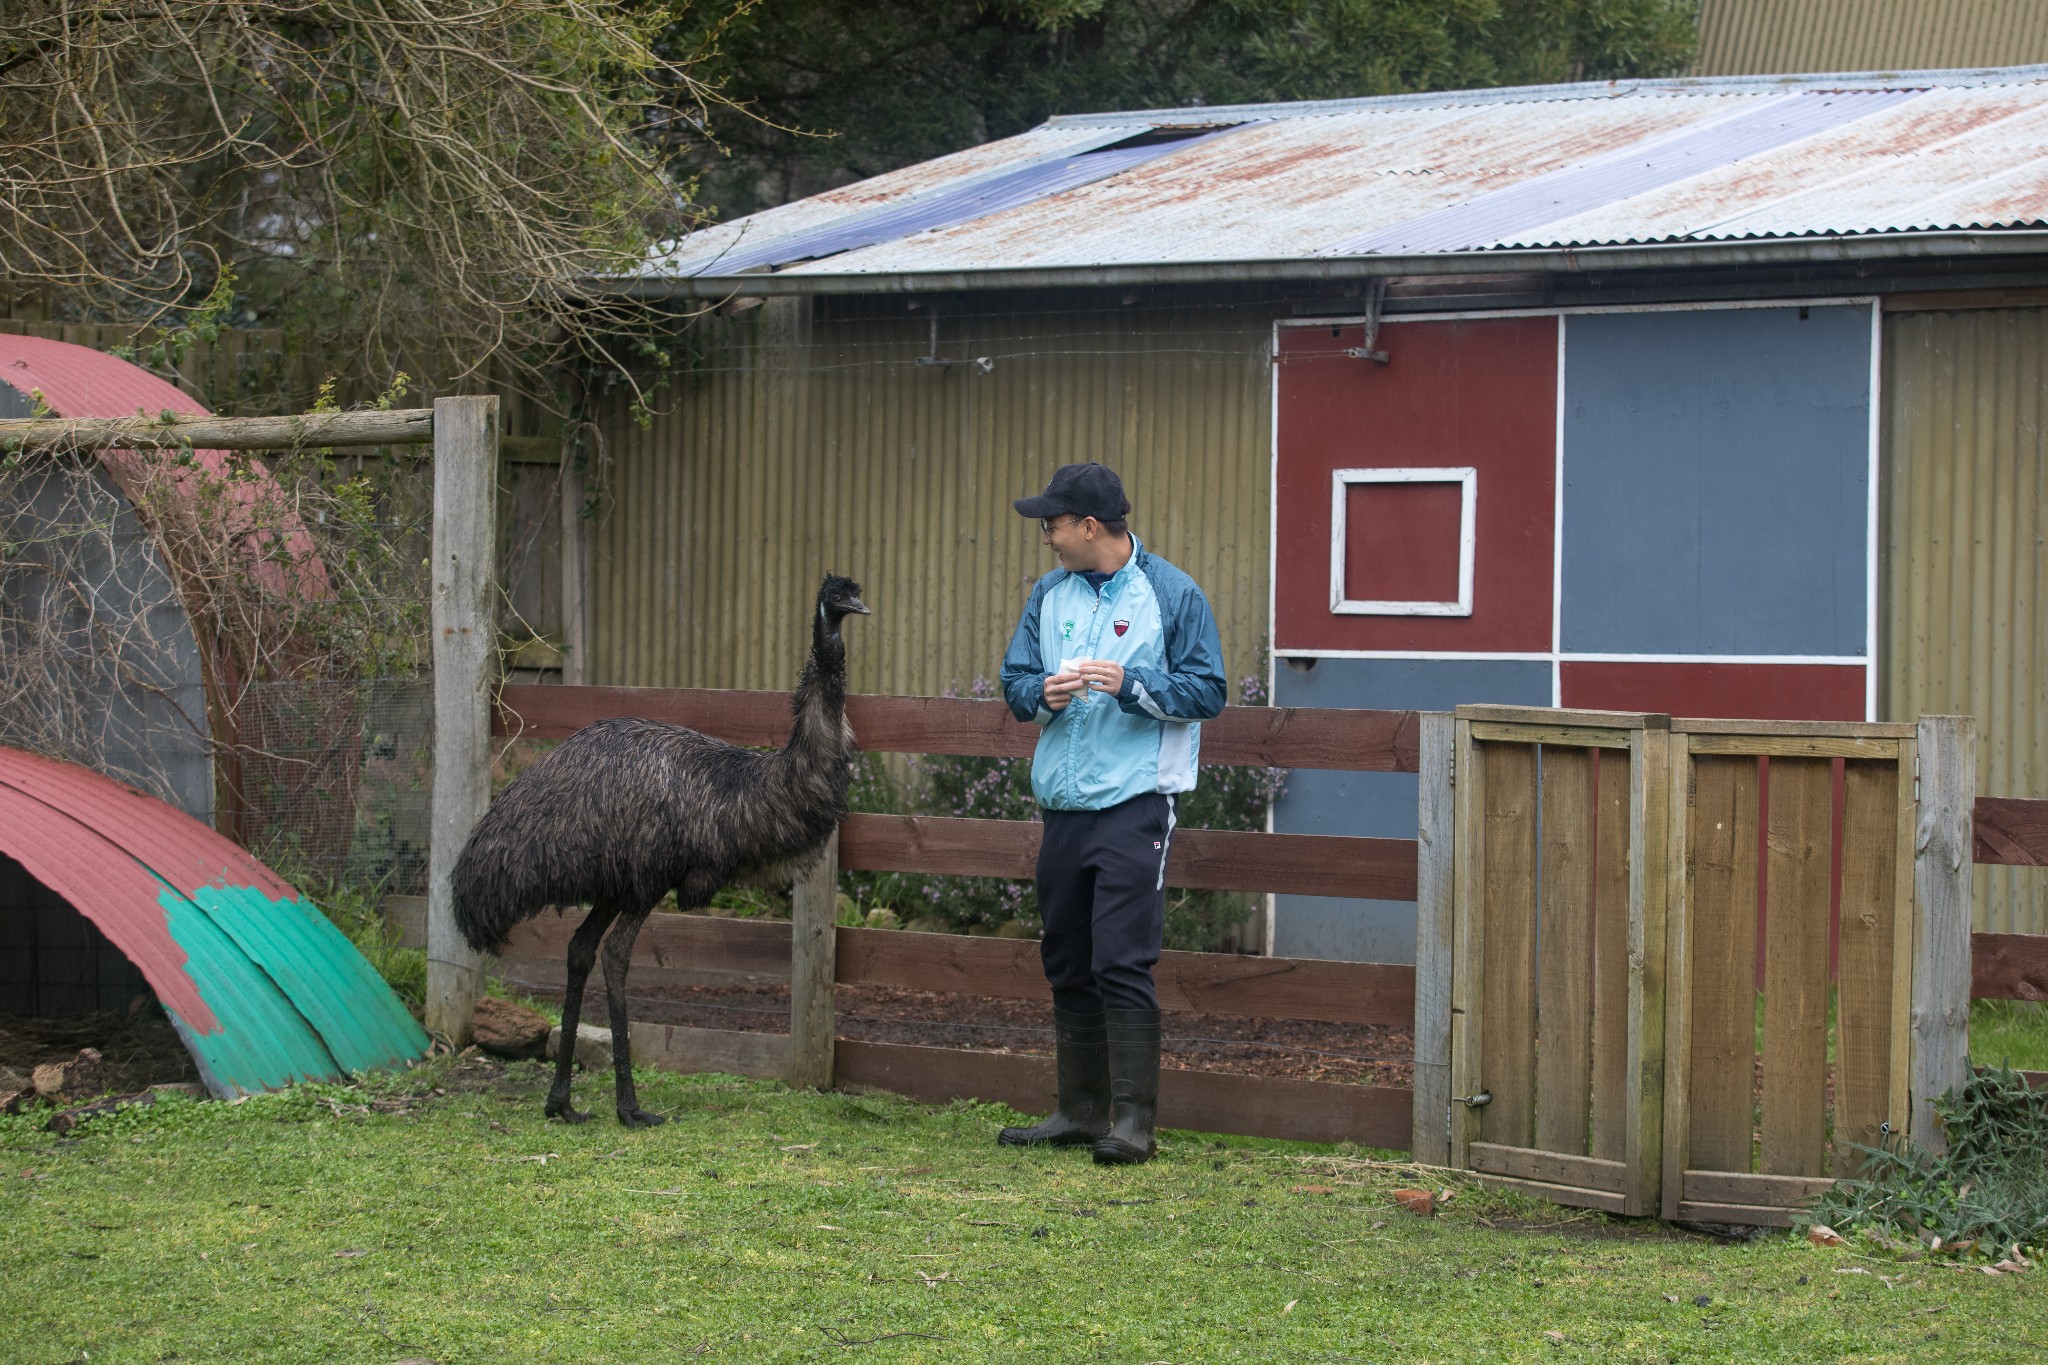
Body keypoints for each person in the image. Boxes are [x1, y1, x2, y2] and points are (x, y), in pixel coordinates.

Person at [996, 462, 1226, 1164]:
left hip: (1135, 804)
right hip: (1063, 807)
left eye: (1053, 524)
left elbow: (1208, 691)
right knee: (1065, 955)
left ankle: (1133, 1124)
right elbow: (1014, 685)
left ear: (1089, 526)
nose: (1046, 537)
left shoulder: (1173, 594)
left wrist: (1133, 683)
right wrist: (1045, 692)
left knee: (1121, 959)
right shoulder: (1048, 594)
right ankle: (1077, 1110)